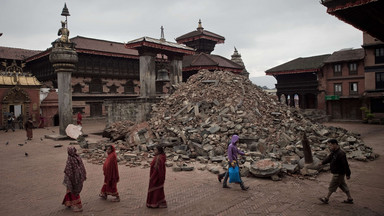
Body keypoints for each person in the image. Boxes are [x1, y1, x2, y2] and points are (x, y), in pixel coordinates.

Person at [319, 139, 353, 204]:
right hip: (337, 173)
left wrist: (348, 174)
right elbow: (329, 158)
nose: (330, 147)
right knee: (343, 185)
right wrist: (322, 162)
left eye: (331, 145)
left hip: (338, 173)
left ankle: (326, 198)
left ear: (335, 144)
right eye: (329, 146)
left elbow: (345, 165)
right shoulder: (334, 152)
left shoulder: (341, 154)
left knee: (332, 185)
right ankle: (350, 198)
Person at [62, 147, 87, 212]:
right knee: (70, 190)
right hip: (77, 178)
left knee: (74, 191)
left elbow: (69, 170)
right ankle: (68, 203)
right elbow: (81, 168)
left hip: (73, 179)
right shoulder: (78, 157)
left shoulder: (71, 159)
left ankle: (79, 206)